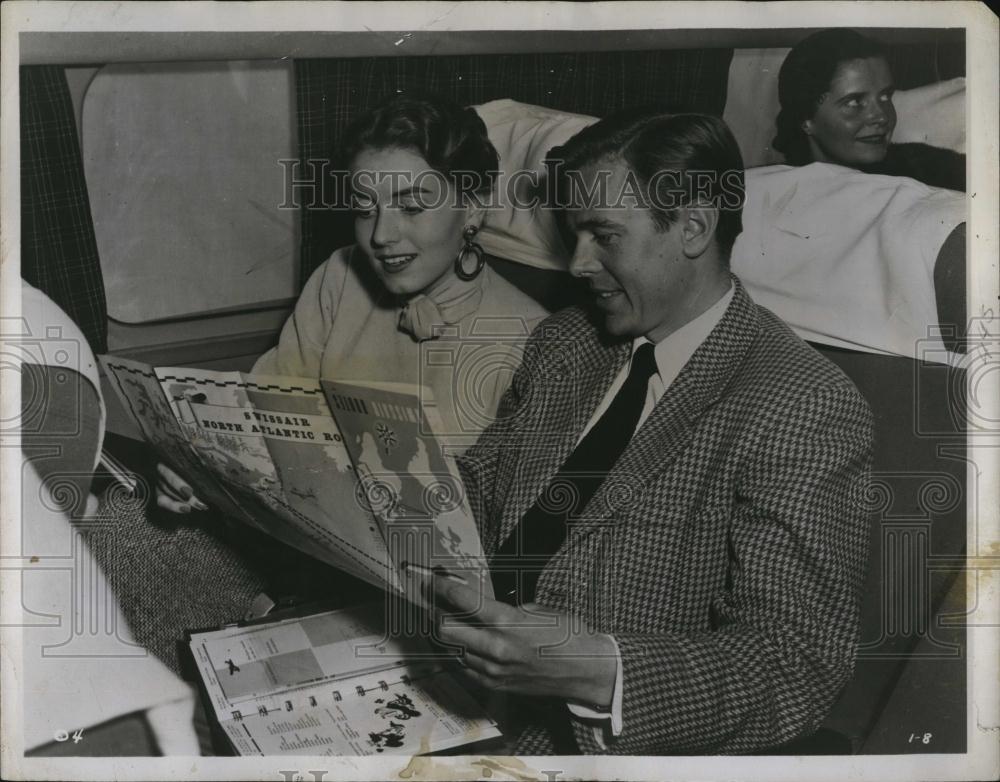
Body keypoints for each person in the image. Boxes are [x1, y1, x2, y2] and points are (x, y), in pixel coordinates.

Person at [430, 110, 874, 754]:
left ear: (693, 226)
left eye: (603, 235)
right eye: (573, 233)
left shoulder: (801, 404)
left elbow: (794, 662)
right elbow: (481, 486)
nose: (579, 264)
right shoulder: (568, 342)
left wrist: (591, 671)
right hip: (464, 689)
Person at [156, 94, 550, 514]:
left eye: (412, 206)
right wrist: (204, 465)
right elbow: (265, 412)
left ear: (472, 208)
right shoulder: (340, 277)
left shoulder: (537, 342)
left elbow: (501, 517)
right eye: (365, 208)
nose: (381, 235)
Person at [773, 28, 965, 191]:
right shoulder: (773, 191)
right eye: (855, 102)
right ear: (806, 119)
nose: (881, 116)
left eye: (885, 96)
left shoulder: (934, 169)